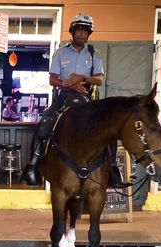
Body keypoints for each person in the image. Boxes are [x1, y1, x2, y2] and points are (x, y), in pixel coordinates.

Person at [22, 13, 122, 187]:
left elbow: (98, 79)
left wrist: (81, 78)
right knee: (43, 125)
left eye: (85, 31)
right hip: (64, 97)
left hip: (86, 99)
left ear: (89, 34)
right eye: (79, 30)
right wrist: (69, 85)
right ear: (73, 31)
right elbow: (52, 80)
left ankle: (113, 170)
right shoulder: (60, 52)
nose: (82, 34)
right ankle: (33, 167)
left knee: (109, 130)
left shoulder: (94, 54)